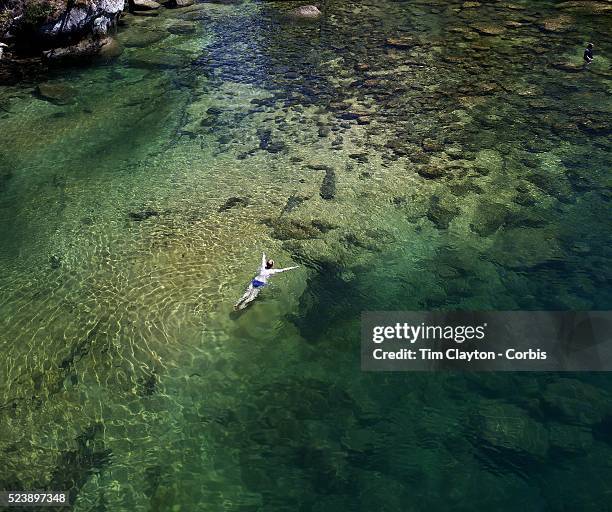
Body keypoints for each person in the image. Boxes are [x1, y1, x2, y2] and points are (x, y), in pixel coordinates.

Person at [234, 253, 298, 310]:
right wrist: (293, 267)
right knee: (251, 297)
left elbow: (263, 259)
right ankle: (243, 305)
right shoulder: (272, 271)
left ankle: (237, 303)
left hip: (255, 280)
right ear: (272, 265)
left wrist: (263, 254)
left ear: (266, 263)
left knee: (246, 293)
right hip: (260, 283)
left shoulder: (263, 266)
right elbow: (283, 270)